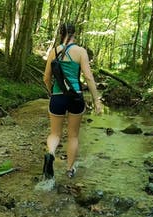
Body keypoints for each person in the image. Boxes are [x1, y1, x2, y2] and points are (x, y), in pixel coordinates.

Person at [42, 23, 103, 180]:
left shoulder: (54, 51)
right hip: (75, 96)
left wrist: (51, 91)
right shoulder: (81, 51)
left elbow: (46, 77)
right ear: (75, 34)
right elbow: (88, 77)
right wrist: (97, 100)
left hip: (57, 96)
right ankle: (69, 170)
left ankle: (50, 153)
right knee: (73, 136)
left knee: (55, 133)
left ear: (61, 33)